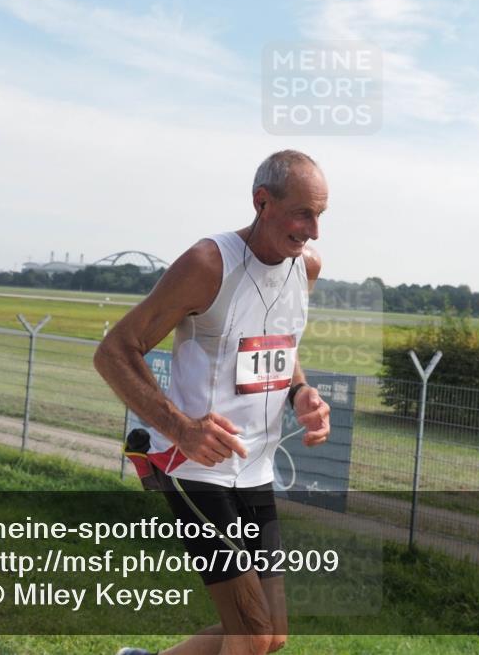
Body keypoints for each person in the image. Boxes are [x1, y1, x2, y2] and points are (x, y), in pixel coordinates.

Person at [94, 150, 331, 655]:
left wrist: (302, 393)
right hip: (194, 467)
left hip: (256, 469)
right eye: (302, 213)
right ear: (261, 201)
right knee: (250, 634)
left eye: (320, 215)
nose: (312, 230)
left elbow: (280, 348)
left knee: (272, 635)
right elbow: (115, 351)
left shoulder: (305, 267)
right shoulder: (208, 264)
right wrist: (180, 427)